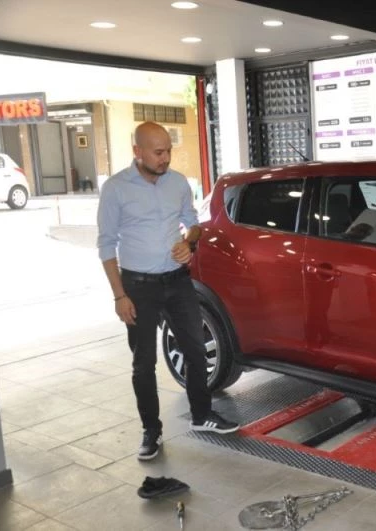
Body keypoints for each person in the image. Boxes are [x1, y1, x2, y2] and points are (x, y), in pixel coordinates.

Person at [97, 121, 239, 461]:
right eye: (158, 152)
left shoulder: (177, 183)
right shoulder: (116, 189)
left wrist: (188, 243)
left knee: (195, 350)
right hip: (138, 287)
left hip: (177, 281)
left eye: (169, 151)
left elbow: (194, 224)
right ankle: (151, 431)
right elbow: (106, 245)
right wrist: (119, 296)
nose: (166, 158)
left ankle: (202, 415)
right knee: (143, 363)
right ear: (138, 151)